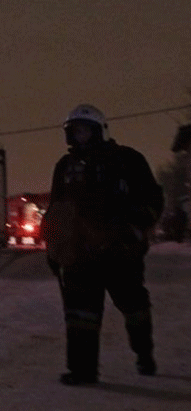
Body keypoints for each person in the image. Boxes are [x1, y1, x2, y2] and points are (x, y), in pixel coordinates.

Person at [42, 104, 163, 385]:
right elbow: (56, 210)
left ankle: (144, 353)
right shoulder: (65, 167)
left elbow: (153, 198)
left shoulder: (127, 160)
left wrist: (135, 228)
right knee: (80, 314)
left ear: (97, 130)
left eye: (84, 129)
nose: (79, 135)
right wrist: (54, 247)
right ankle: (82, 370)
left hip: (120, 252)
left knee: (134, 306)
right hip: (79, 255)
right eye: (74, 131)